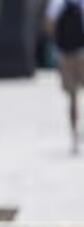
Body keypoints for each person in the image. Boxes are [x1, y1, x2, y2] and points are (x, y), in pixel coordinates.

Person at [46, 0, 84, 154]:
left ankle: (74, 135)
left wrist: (58, 44)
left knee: (72, 97)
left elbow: (49, 25)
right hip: (82, 53)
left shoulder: (58, 3)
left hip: (65, 54)